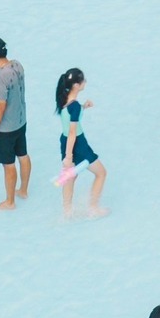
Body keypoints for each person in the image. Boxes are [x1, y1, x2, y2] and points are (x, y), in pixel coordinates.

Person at [0, 36, 31, 210]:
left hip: (6, 129)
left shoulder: (2, 76)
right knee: (23, 155)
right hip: (20, 121)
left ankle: (10, 202)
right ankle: (23, 190)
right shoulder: (17, 65)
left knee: (8, 164)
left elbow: (1, 107)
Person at [54, 67, 108, 219]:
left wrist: (84, 107)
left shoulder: (65, 99)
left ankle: (67, 211)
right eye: (83, 80)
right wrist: (69, 157)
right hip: (77, 143)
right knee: (101, 173)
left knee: (70, 176)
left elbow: (69, 116)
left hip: (65, 141)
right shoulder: (75, 107)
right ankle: (93, 207)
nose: (85, 82)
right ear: (76, 85)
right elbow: (73, 132)